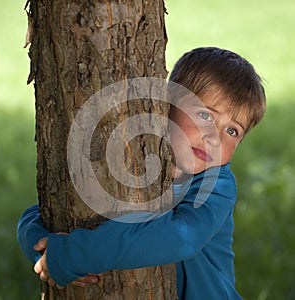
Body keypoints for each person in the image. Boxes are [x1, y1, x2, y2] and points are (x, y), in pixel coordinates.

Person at [17, 47, 266, 299]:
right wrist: (43, 249)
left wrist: (79, 255)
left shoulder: (217, 186)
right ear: (165, 104)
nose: (214, 138)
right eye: (205, 115)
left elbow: (182, 238)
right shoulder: (137, 154)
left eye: (232, 131)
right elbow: (36, 214)